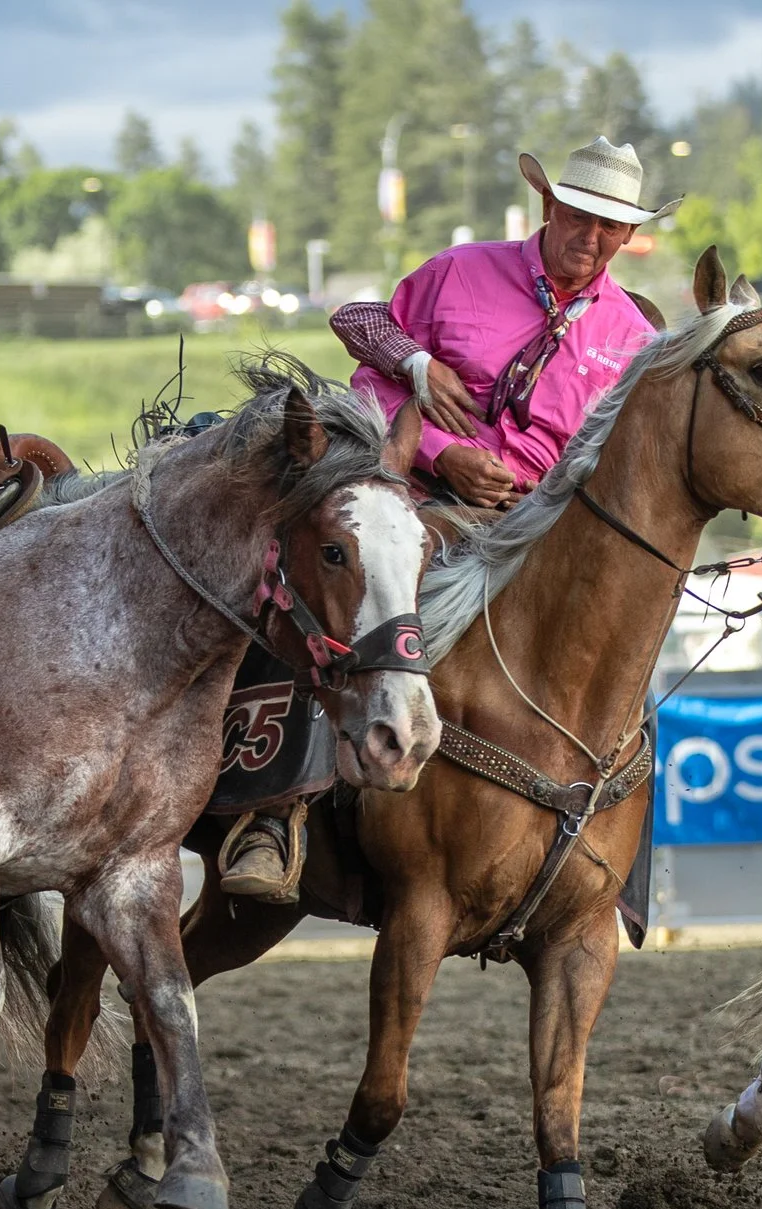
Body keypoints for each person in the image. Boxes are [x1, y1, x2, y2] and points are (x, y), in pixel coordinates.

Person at [217, 137, 679, 900]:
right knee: (334, 597)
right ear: (549, 205)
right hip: (419, 499)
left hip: (538, 527)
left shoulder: (632, 336)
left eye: (609, 227)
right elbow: (361, 325)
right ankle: (277, 811)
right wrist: (435, 427)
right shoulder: (461, 272)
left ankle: (613, 870)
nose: (589, 238)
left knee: (626, 654)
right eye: (578, 215)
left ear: (628, 236)